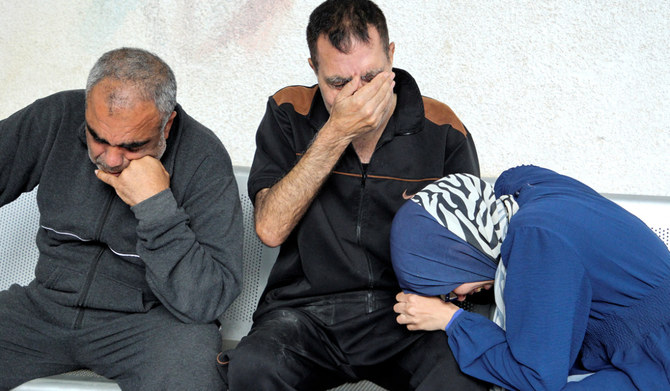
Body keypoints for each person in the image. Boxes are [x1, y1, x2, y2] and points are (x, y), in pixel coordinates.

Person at [217, 1, 487, 389]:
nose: (357, 96)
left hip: (406, 314)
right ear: (314, 68)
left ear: (391, 56)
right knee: (253, 368)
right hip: (304, 313)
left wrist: (445, 303)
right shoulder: (288, 111)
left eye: (371, 76)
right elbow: (270, 229)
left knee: (461, 375)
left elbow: (470, 250)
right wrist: (336, 132)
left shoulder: (442, 128)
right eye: (338, 83)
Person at [0, 47, 243, 390]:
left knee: (194, 373)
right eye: (97, 137)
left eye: (132, 145)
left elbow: (206, 301)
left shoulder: (204, 158)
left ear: (166, 124)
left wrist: (156, 205)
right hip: (43, 309)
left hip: (150, 326)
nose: (111, 159)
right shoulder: (56, 116)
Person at [391, 165, 670, 390]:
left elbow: (536, 378)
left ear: (456, 255)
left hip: (656, 362)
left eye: (447, 288)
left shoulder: (535, 239)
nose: (459, 297)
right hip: (638, 348)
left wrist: (451, 319)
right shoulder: (529, 191)